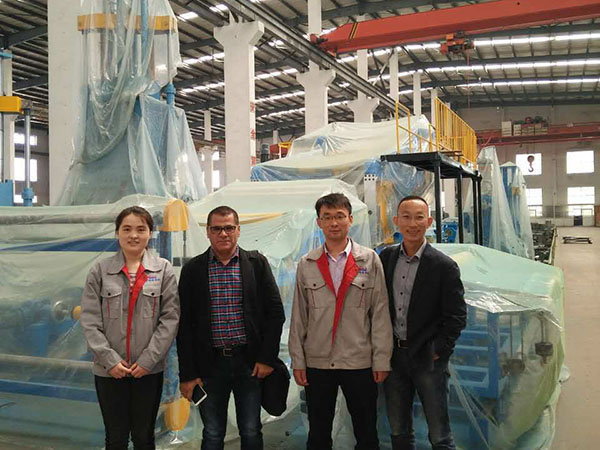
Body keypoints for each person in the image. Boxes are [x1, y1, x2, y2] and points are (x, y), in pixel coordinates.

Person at [289, 193, 393, 450]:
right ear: (319, 222)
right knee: (318, 433)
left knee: (366, 432)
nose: (334, 223)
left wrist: (381, 359)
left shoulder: (369, 260)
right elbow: (299, 316)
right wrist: (298, 360)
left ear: (350, 220)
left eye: (339, 216)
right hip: (318, 362)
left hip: (358, 360)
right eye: (327, 217)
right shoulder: (307, 263)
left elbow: (380, 313)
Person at [176, 205, 285, 450]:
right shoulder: (193, 270)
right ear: (208, 232)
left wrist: (266, 358)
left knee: (251, 429)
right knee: (213, 433)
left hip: (250, 363)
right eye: (216, 229)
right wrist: (188, 374)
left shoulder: (256, 264)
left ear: (238, 230)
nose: (223, 234)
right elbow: (184, 326)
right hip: (209, 366)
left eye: (228, 228)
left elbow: (275, 313)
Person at [80, 206, 180, 450]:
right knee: (115, 438)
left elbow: (170, 319)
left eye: (140, 229)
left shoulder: (163, 270)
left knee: (144, 437)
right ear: (117, 233)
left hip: (147, 371)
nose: (133, 235)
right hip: (109, 371)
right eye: (126, 229)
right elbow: (90, 320)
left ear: (150, 233)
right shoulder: (100, 271)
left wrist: (148, 361)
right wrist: (110, 361)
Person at [379, 196, 467, 450]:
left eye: (419, 217)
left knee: (439, 434)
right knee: (399, 430)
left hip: (428, 359)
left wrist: (439, 349)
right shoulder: (386, 258)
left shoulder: (443, 266)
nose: (412, 224)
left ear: (429, 222)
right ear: (396, 221)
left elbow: (456, 315)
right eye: (406, 217)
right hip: (394, 357)